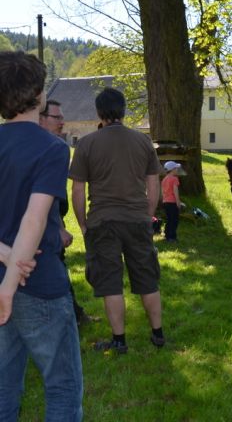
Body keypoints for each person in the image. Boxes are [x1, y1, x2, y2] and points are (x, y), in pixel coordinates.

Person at [0, 51, 83, 420]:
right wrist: (10, 281)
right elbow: (33, 221)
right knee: (62, 386)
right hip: (38, 283)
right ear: (38, 95)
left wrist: (5, 258)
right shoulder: (52, 147)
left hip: (6, 276)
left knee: (3, 386)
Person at [70, 87, 164, 354]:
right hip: (137, 220)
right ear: (124, 110)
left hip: (102, 222)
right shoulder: (143, 141)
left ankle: (119, 340)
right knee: (147, 279)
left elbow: (78, 190)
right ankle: (158, 334)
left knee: (111, 283)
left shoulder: (87, 144)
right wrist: (148, 215)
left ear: (99, 112)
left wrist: (83, 224)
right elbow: (153, 182)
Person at [39, 99, 92, 325]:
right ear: (41, 119)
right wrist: (58, 227)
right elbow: (44, 196)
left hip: (53, 218)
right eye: (56, 117)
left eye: (62, 117)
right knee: (55, 271)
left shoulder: (55, 146)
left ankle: (74, 314)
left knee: (58, 267)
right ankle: (69, 318)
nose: (62, 121)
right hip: (45, 221)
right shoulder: (47, 148)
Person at [161, 161, 182, 243]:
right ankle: (172, 237)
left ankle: (167, 235)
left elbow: (163, 192)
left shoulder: (164, 179)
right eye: (176, 168)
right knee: (174, 220)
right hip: (173, 202)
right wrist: (178, 203)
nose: (177, 169)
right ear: (172, 169)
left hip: (166, 202)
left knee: (169, 219)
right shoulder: (174, 179)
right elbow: (175, 192)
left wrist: (164, 200)